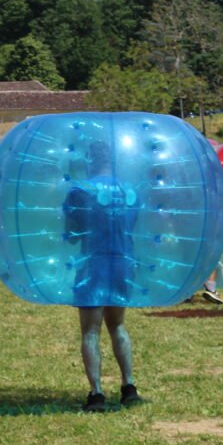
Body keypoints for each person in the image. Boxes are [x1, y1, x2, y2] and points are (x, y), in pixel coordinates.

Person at [64, 141, 143, 412]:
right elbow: (132, 226)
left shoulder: (80, 191)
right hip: (123, 262)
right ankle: (129, 386)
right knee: (118, 325)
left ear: (90, 160)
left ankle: (96, 393)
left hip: (92, 264)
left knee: (90, 330)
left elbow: (73, 235)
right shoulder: (130, 190)